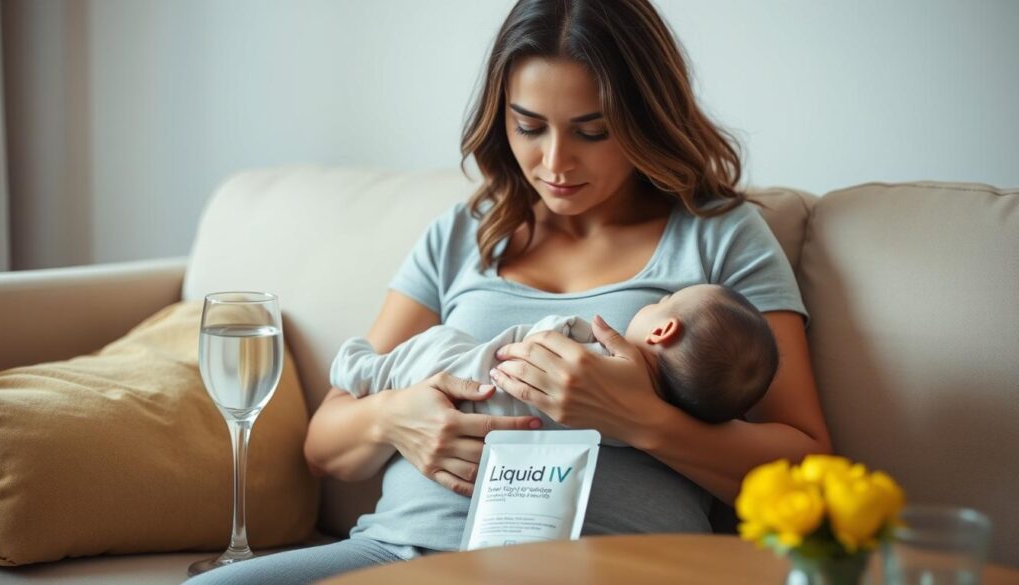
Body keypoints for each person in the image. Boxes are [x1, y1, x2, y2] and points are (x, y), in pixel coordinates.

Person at [186, 0, 831, 583]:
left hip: (613, 563)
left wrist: (636, 418)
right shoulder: (463, 234)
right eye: (530, 127)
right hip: (399, 557)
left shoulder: (719, 237)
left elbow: (808, 469)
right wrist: (398, 419)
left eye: (592, 130)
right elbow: (325, 444)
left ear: (644, 118)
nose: (556, 162)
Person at [331, 283, 779, 433]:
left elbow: (553, 336)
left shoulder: (608, 359)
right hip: (396, 540)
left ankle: (363, 369)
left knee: (439, 344)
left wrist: (571, 326)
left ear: (662, 330)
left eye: (668, 298)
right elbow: (321, 445)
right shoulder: (676, 407)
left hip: (477, 378)